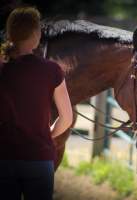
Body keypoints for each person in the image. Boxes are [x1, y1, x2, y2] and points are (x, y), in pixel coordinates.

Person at [0, 6, 73, 200]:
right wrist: (48, 136)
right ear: (36, 34)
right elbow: (66, 118)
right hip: (39, 159)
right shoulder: (52, 70)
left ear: (11, 34)